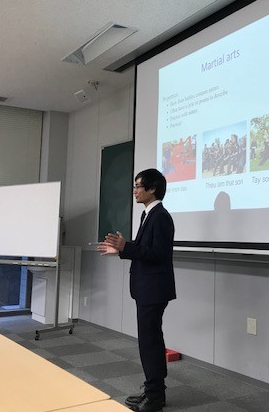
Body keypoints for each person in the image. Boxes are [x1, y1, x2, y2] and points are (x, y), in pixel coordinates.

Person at [98, 168, 175, 412]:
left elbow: (159, 254)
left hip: (154, 289)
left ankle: (155, 397)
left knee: (150, 342)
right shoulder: (147, 214)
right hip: (146, 288)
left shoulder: (160, 217)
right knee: (149, 341)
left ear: (152, 188)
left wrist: (126, 247)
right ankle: (153, 390)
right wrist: (122, 250)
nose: (134, 191)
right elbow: (145, 251)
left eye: (138, 186)